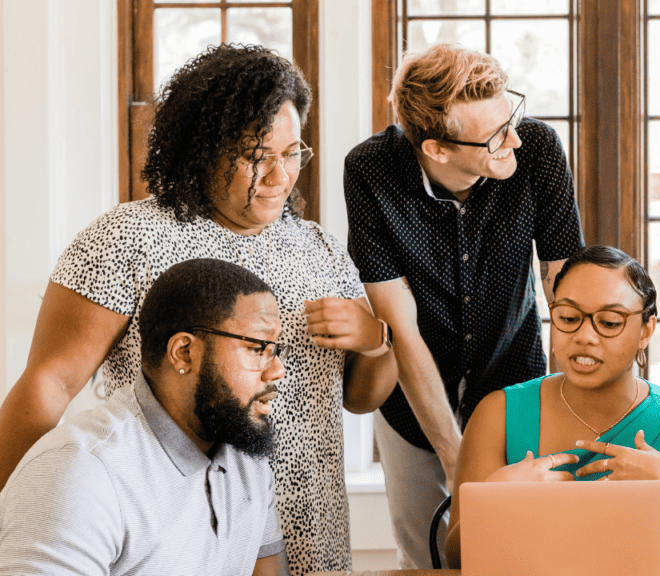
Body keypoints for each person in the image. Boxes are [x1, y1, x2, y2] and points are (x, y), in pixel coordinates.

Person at [0, 45, 396, 575]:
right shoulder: (128, 237)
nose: (281, 176)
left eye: (292, 153)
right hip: (178, 532)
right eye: (258, 157)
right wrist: (13, 509)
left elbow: (362, 398)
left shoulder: (318, 248)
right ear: (203, 149)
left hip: (311, 530)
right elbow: (49, 382)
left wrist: (375, 340)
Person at [344, 43, 584, 568]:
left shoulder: (537, 150)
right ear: (438, 149)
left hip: (513, 379)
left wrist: (578, 417)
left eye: (511, 118)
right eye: (495, 135)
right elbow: (398, 326)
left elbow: (567, 296)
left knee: (518, 554)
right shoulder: (370, 171)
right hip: (410, 399)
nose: (513, 139)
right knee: (427, 556)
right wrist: (456, 460)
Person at [0, 258, 290, 575]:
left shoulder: (247, 462)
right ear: (184, 353)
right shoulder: (78, 472)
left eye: (276, 350)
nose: (277, 371)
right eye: (258, 348)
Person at [445, 245, 660, 568]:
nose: (585, 336)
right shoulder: (497, 415)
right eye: (568, 318)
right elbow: (455, 558)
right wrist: (498, 501)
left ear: (646, 330)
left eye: (608, 322)